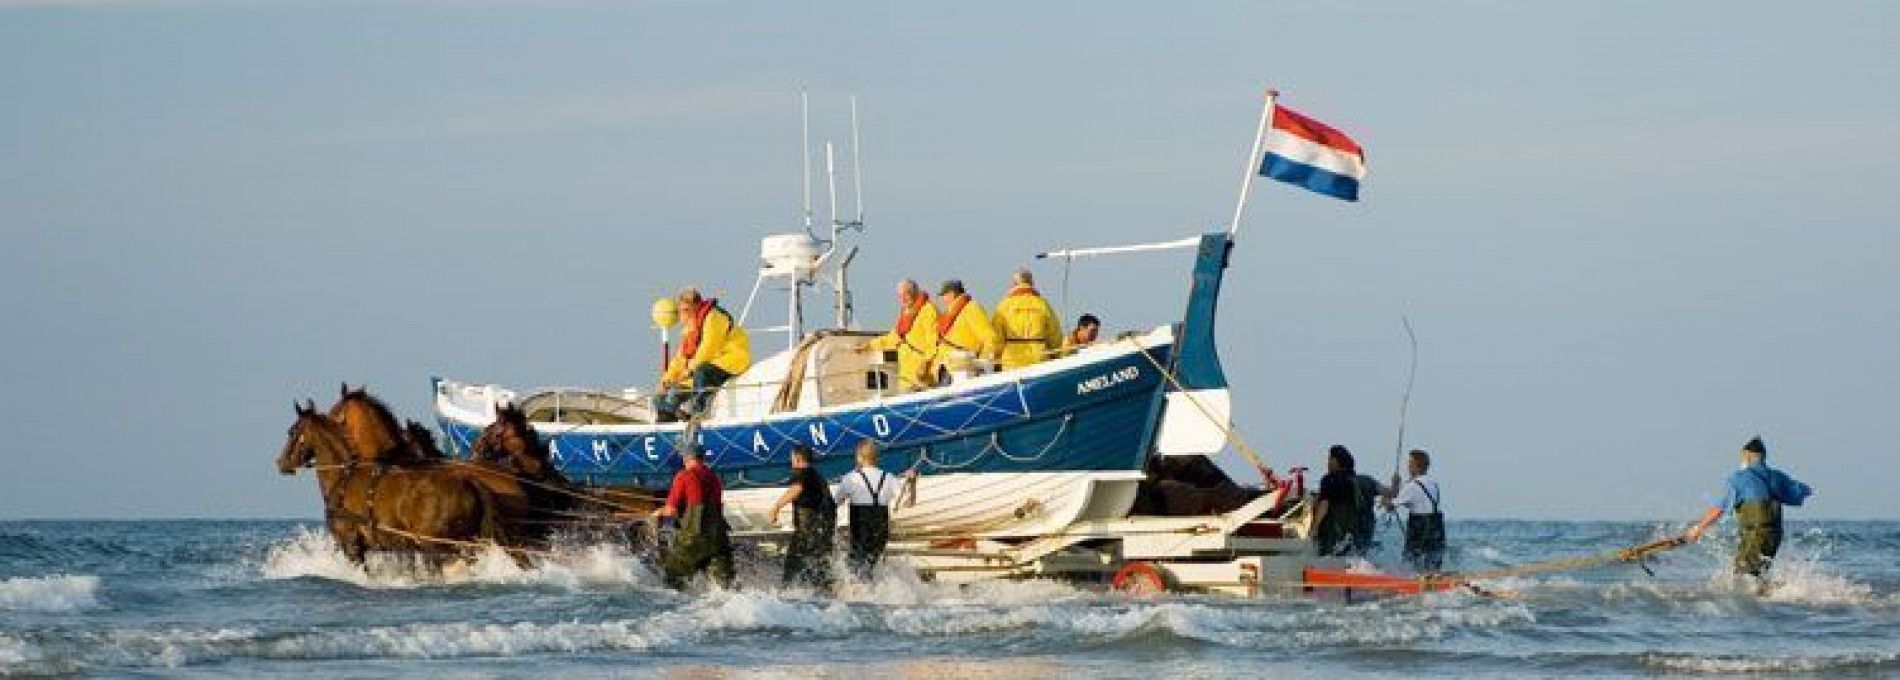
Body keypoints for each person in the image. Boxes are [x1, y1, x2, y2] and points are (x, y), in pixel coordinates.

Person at [1682, 436, 1814, 581]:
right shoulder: (1777, 477)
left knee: (1742, 577)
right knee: (1759, 574)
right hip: (1774, 537)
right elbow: (1806, 491)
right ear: (1763, 458)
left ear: (1746, 457)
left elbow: (1719, 509)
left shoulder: (1739, 478)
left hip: (1755, 536)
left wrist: (1697, 529)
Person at [655, 287, 751, 422]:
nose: (681, 315)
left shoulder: (713, 317)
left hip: (730, 359)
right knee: (662, 397)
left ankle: (699, 413)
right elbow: (679, 359)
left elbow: (708, 348)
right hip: (701, 366)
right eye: (680, 311)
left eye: (685, 310)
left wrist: (689, 370)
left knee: (702, 372)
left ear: (695, 308)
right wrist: (666, 380)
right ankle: (667, 425)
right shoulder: (689, 331)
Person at [831, 440, 916, 580]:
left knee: (857, 568)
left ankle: (859, 596)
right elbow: (909, 503)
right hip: (881, 528)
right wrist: (912, 483)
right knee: (874, 565)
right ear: (877, 457)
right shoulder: (888, 478)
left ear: (859, 457)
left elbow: (834, 504)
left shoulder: (851, 478)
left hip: (860, 529)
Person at [653, 446, 735, 589]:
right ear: (702, 458)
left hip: (694, 538)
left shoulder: (684, 476)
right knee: (725, 586)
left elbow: (671, 510)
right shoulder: (714, 477)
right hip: (718, 539)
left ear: (686, 458)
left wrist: (657, 512)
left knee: (673, 577)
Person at [768, 446, 838, 591]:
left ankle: (788, 597)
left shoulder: (803, 473)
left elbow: (797, 488)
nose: (791, 463)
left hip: (807, 533)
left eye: (792, 460)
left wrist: (776, 507)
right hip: (824, 533)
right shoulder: (819, 478)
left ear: (799, 459)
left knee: (792, 566)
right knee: (820, 569)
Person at [865, 279, 940, 392]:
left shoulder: (928, 311)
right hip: (906, 378)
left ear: (915, 293)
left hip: (923, 377)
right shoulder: (906, 314)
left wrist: (926, 363)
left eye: (906, 294)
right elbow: (894, 338)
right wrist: (869, 345)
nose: (903, 299)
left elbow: (934, 342)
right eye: (900, 296)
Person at [1381, 449, 1446, 572]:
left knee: (1410, 561)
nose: (1408, 467)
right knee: (1434, 560)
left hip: (1420, 527)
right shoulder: (1433, 483)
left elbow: (1391, 506)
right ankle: (1435, 581)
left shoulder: (1412, 486)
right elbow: (1418, 501)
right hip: (1437, 525)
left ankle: (1411, 582)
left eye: (1410, 464)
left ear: (1416, 466)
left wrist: (1385, 499)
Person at [991, 269, 1063, 371]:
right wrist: (1056, 357)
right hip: (1039, 360)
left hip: (1011, 362)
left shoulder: (1004, 306)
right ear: (1032, 283)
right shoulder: (1043, 305)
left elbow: (996, 339)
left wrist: (996, 361)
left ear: (1014, 284)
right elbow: (1055, 336)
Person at [929, 280, 1000, 383]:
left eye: (944, 295)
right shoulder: (950, 313)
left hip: (964, 370)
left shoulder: (971, 308)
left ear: (952, 294)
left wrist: (983, 362)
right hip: (947, 370)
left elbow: (989, 337)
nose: (942, 299)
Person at [1309, 445, 1369, 557]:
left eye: (1329, 459)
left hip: (1332, 531)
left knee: (1327, 559)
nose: (1327, 463)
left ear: (1336, 461)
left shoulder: (1328, 479)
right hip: (1351, 532)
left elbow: (1324, 505)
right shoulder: (1355, 481)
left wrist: (1314, 528)